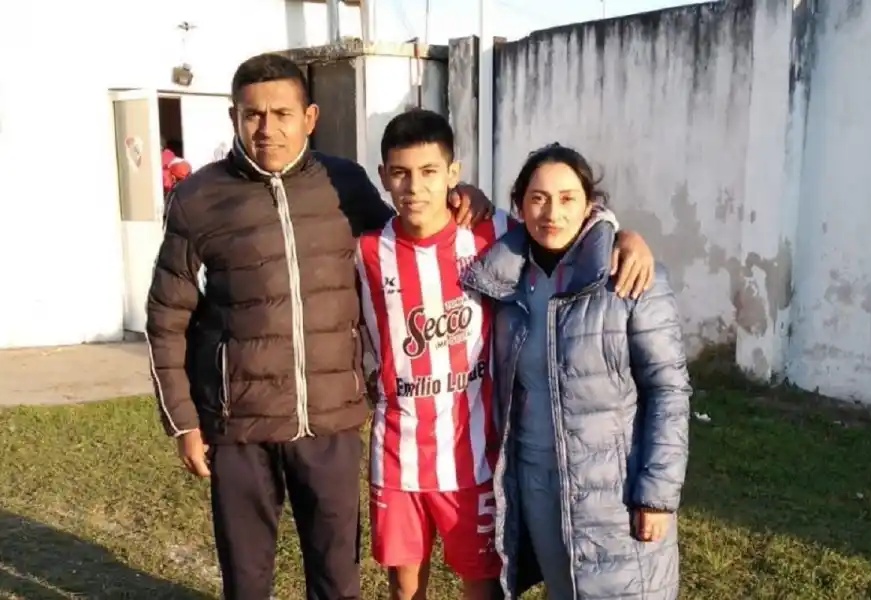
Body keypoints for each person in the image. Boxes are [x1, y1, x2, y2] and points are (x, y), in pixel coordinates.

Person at [145, 53, 494, 600]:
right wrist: (184, 422)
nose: (267, 128)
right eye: (252, 115)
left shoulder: (345, 183)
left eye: (282, 113)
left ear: (309, 117)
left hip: (331, 423)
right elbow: (167, 317)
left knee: (337, 580)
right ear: (234, 117)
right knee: (247, 579)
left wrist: (468, 202)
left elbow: (411, 235)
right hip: (239, 427)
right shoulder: (197, 198)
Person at [357, 113, 658, 600]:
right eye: (400, 172)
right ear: (383, 174)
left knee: (482, 584)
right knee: (404, 584)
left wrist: (622, 234)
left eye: (430, 171)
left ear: (453, 173)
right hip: (398, 455)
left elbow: (562, 224)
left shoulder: (491, 232)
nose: (415, 186)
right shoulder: (366, 251)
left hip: (474, 457)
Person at [462, 144, 691, 599]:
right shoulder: (505, 283)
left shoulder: (630, 277)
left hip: (613, 490)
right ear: (520, 204)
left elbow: (668, 389)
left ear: (590, 204)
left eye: (567, 198)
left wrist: (657, 493)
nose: (552, 213)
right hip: (535, 483)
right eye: (538, 198)